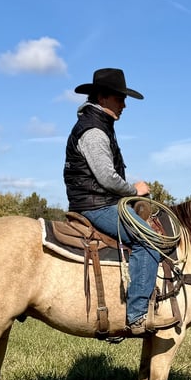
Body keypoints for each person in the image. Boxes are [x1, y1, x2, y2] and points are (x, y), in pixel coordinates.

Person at [63, 68, 178, 336]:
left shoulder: (99, 124)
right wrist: (134, 190)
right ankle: (137, 315)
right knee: (148, 239)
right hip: (96, 205)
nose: (124, 105)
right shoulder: (94, 131)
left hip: (97, 201)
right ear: (102, 97)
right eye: (119, 98)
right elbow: (106, 177)